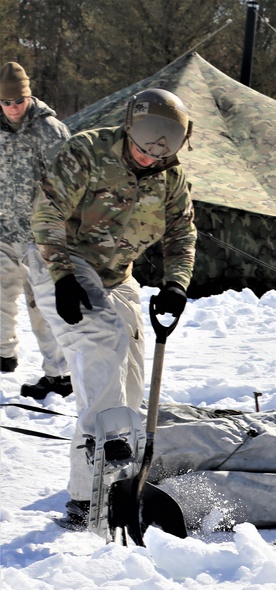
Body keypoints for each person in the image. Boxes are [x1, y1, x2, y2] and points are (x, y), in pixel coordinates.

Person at [27, 88, 198, 527]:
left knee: (131, 383)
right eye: (142, 146)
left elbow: (182, 236)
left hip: (117, 276)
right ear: (128, 129)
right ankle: (98, 480)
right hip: (59, 259)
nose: (149, 156)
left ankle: (104, 491)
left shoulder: (169, 177)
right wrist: (63, 277)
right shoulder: (85, 152)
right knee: (104, 344)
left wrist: (176, 285)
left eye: (162, 149)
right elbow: (46, 217)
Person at [0, 61, 73, 398]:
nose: (13, 108)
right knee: (1, 299)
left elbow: (70, 185)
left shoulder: (51, 132)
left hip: (39, 238)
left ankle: (59, 373)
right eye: (6, 102)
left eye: (18, 101)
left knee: (42, 307)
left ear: (28, 97)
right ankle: (4, 357)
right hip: (3, 231)